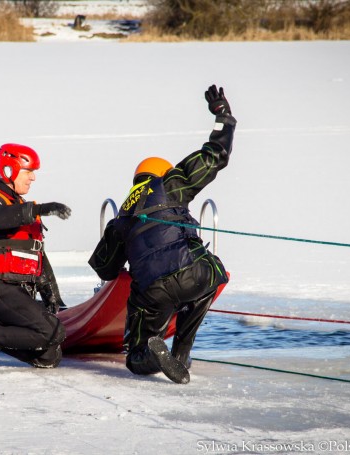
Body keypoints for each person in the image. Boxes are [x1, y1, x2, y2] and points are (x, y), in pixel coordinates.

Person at [88, 84, 235, 384]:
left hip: (153, 291)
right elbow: (214, 157)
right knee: (213, 274)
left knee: (134, 355)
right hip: (196, 272)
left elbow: (105, 267)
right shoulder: (171, 184)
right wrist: (224, 119)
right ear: (161, 173)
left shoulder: (121, 219)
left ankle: (152, 354)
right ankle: (182, 353)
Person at [0, 143, 71, 372]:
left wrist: (51, 293)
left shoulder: (21, 207)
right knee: (52, 331)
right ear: (9, 170)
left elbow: (36, 254)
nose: (33, 178)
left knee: (49, 356)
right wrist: (38, 209)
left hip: (17, 290)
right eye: (28, 171)